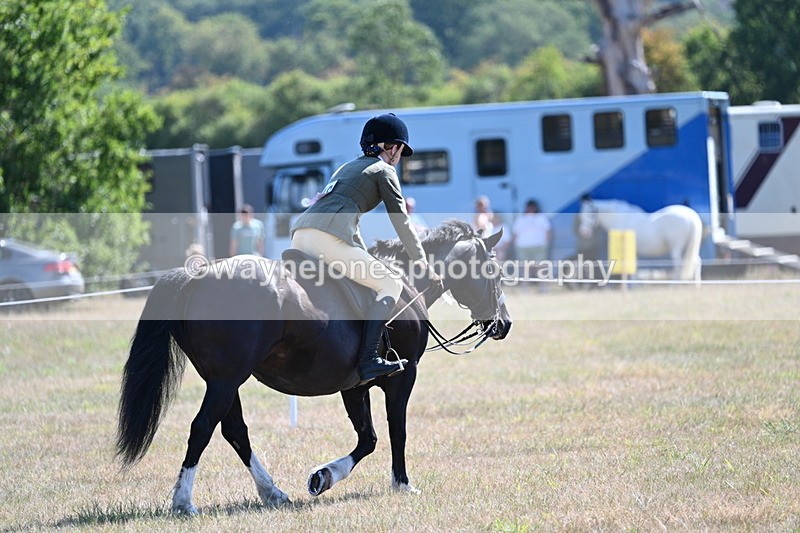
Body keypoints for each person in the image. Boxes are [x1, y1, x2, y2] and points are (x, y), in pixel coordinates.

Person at [290, 113, 442, 384]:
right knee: (390, 284)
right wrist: (421, 261)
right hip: (328, 237)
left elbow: (348, 220)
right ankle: (369, 359)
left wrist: (364, 254)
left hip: (302, 234)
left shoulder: (347, 167)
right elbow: (401, 220)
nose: (399, 157)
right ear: (392, 147)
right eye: (400, 151)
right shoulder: (384, 170)